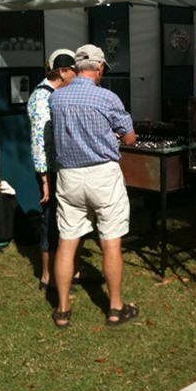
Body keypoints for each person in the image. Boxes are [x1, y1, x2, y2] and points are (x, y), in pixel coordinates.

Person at [49, 44, 138, 328]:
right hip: (102, 175)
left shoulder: (56, 99)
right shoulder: (107, 97)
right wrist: (110, 134)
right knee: (110, 240)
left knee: (67, 240)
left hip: (69, 176)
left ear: (76, 67)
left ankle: (62, 310)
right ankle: (114, 307)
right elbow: (130, 139)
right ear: (99, 68)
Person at [27, 48, 77, 290]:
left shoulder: (58, 93)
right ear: (62, 72)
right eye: (73, 72)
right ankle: (47, 275)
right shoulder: (41, 98)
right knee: (49, 219)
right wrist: (45, 178)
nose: (76, 76)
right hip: (48, 169)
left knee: (63, 219)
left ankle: (64, 270)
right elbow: (39, 142)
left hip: (60, 166)